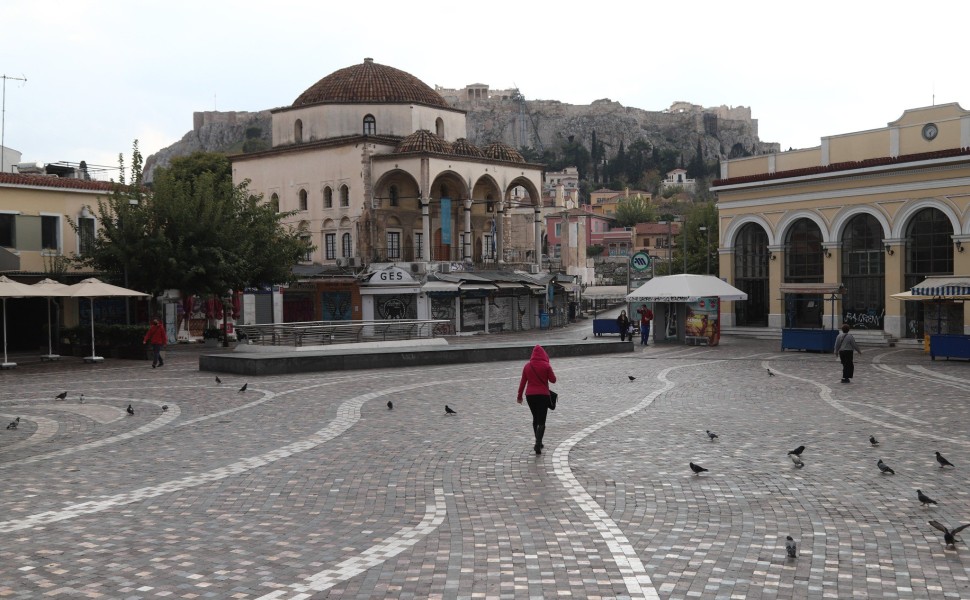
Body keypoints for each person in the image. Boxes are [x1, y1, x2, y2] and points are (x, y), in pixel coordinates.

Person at [517, 344, 557, 455]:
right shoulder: (546, 366)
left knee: (535, 418)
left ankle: (538, 442)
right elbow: (553, 380)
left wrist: (519, 397)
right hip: (543, 395)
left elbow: (522, 383)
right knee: (542, 421)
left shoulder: (527, 366)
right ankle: (538, 443)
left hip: (530, 396)